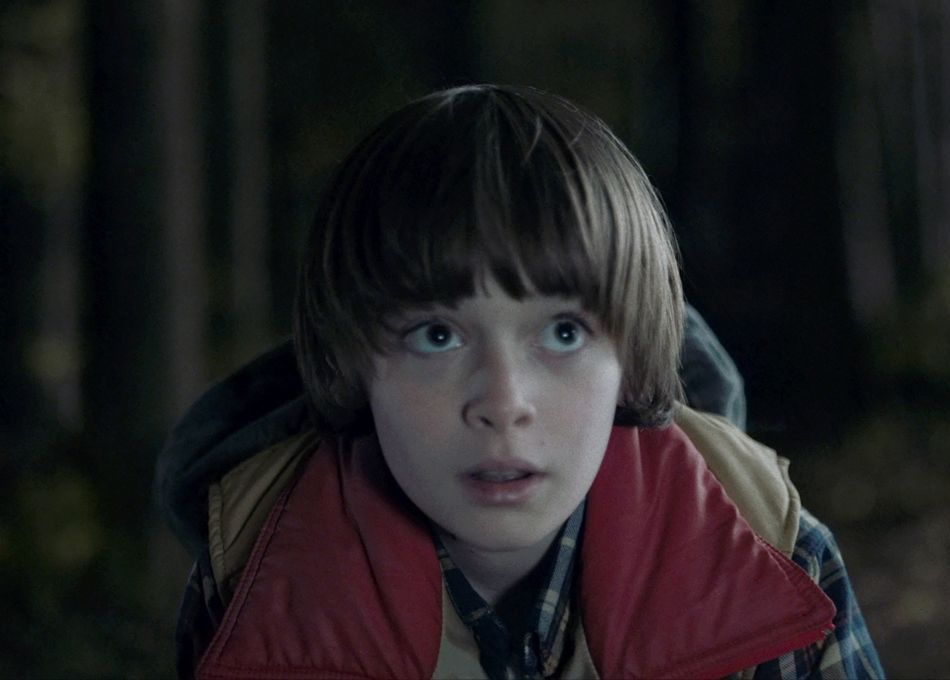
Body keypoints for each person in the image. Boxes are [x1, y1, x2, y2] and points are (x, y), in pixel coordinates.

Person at [157, 84, 883, 679]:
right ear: (352, 364)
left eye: (563, 333)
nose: (504, 404)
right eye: (437, 336)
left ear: (630, 360)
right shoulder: (255, 576)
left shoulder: (779, 554)